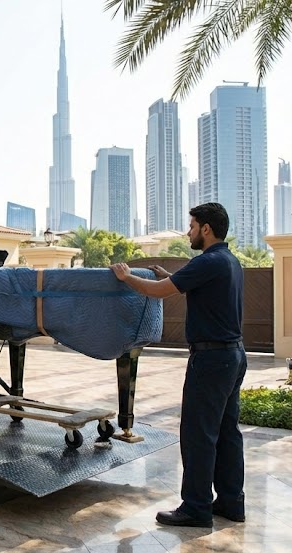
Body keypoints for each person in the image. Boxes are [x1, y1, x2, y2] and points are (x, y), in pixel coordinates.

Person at [109, 202, 246, 529]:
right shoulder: (230, 261)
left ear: (206, 229)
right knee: (228, 433)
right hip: (233, 356)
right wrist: (171, 276)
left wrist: (127, 277)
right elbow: (195, 290)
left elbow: (157, 293)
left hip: (211, 359)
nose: (189, 232)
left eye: (192, 226)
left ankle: (196, 507)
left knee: (198, 434)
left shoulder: (208, 261)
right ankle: (231, 502)